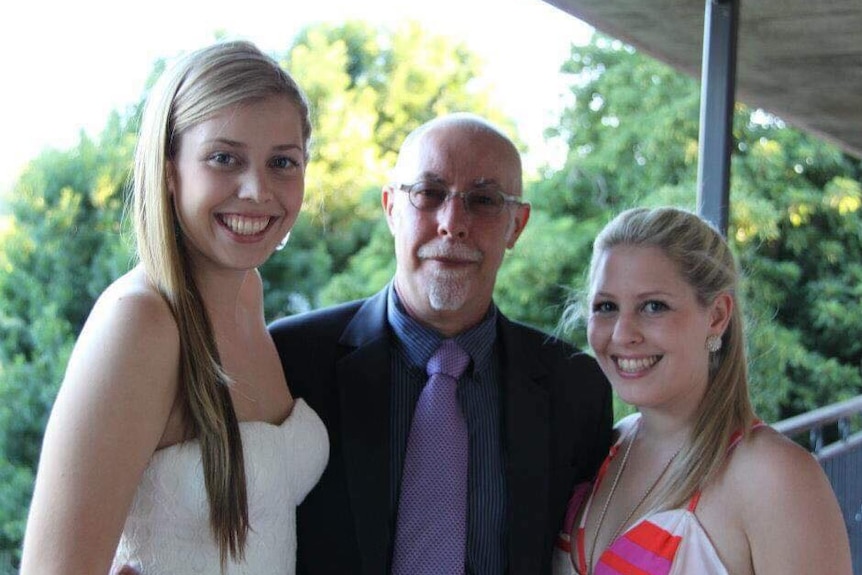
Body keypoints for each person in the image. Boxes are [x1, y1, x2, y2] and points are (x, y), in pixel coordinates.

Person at [20, 40, 328, 575]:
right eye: (224, 158)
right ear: (168, 170)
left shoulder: (248, 294)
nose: (257, 190)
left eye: (283, 162)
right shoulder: (139, 321)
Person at [268, 112, 614, 575]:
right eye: (429, 194)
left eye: (484, 200)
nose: (453, 223)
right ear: (391, 208)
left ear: (516, 225)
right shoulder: (290, 361)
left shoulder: (575, 387)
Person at [552, 206, 852, 575]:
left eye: (653, 306)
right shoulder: (607, 446)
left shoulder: (772, 476)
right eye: (606, 307)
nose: (622, 334)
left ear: (717, 315)